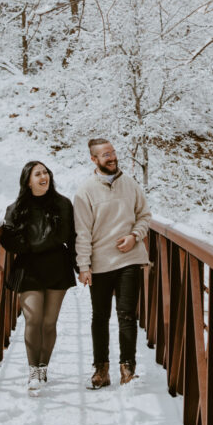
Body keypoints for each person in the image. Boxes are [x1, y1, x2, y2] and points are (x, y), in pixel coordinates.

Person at [73, 138, 151, 388]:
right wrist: (84, 266)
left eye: (113, 152)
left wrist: (134, 236)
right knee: (100, 316)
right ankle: (101, 369)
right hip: (101, 262)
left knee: (127, 315)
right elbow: (82, 232)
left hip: (129, 259)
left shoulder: (131, 185)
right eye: (105, 155)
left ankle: (128, 369)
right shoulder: (85, 191)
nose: (112, 157)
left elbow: (144, 216)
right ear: (94, 159)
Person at [1, 160, 76, 393]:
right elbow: (8, 239)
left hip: (57, 265)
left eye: (46, 172)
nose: (44, 176)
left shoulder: (63, 204)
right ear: (28, 181)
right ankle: (33, 369)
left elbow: (70, 235)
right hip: (29, 267)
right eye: (38, 174)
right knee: (33, 319)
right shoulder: (17, 208)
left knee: (49, 321)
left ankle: (44, 367)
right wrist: (30, 246)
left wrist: (81, 266)